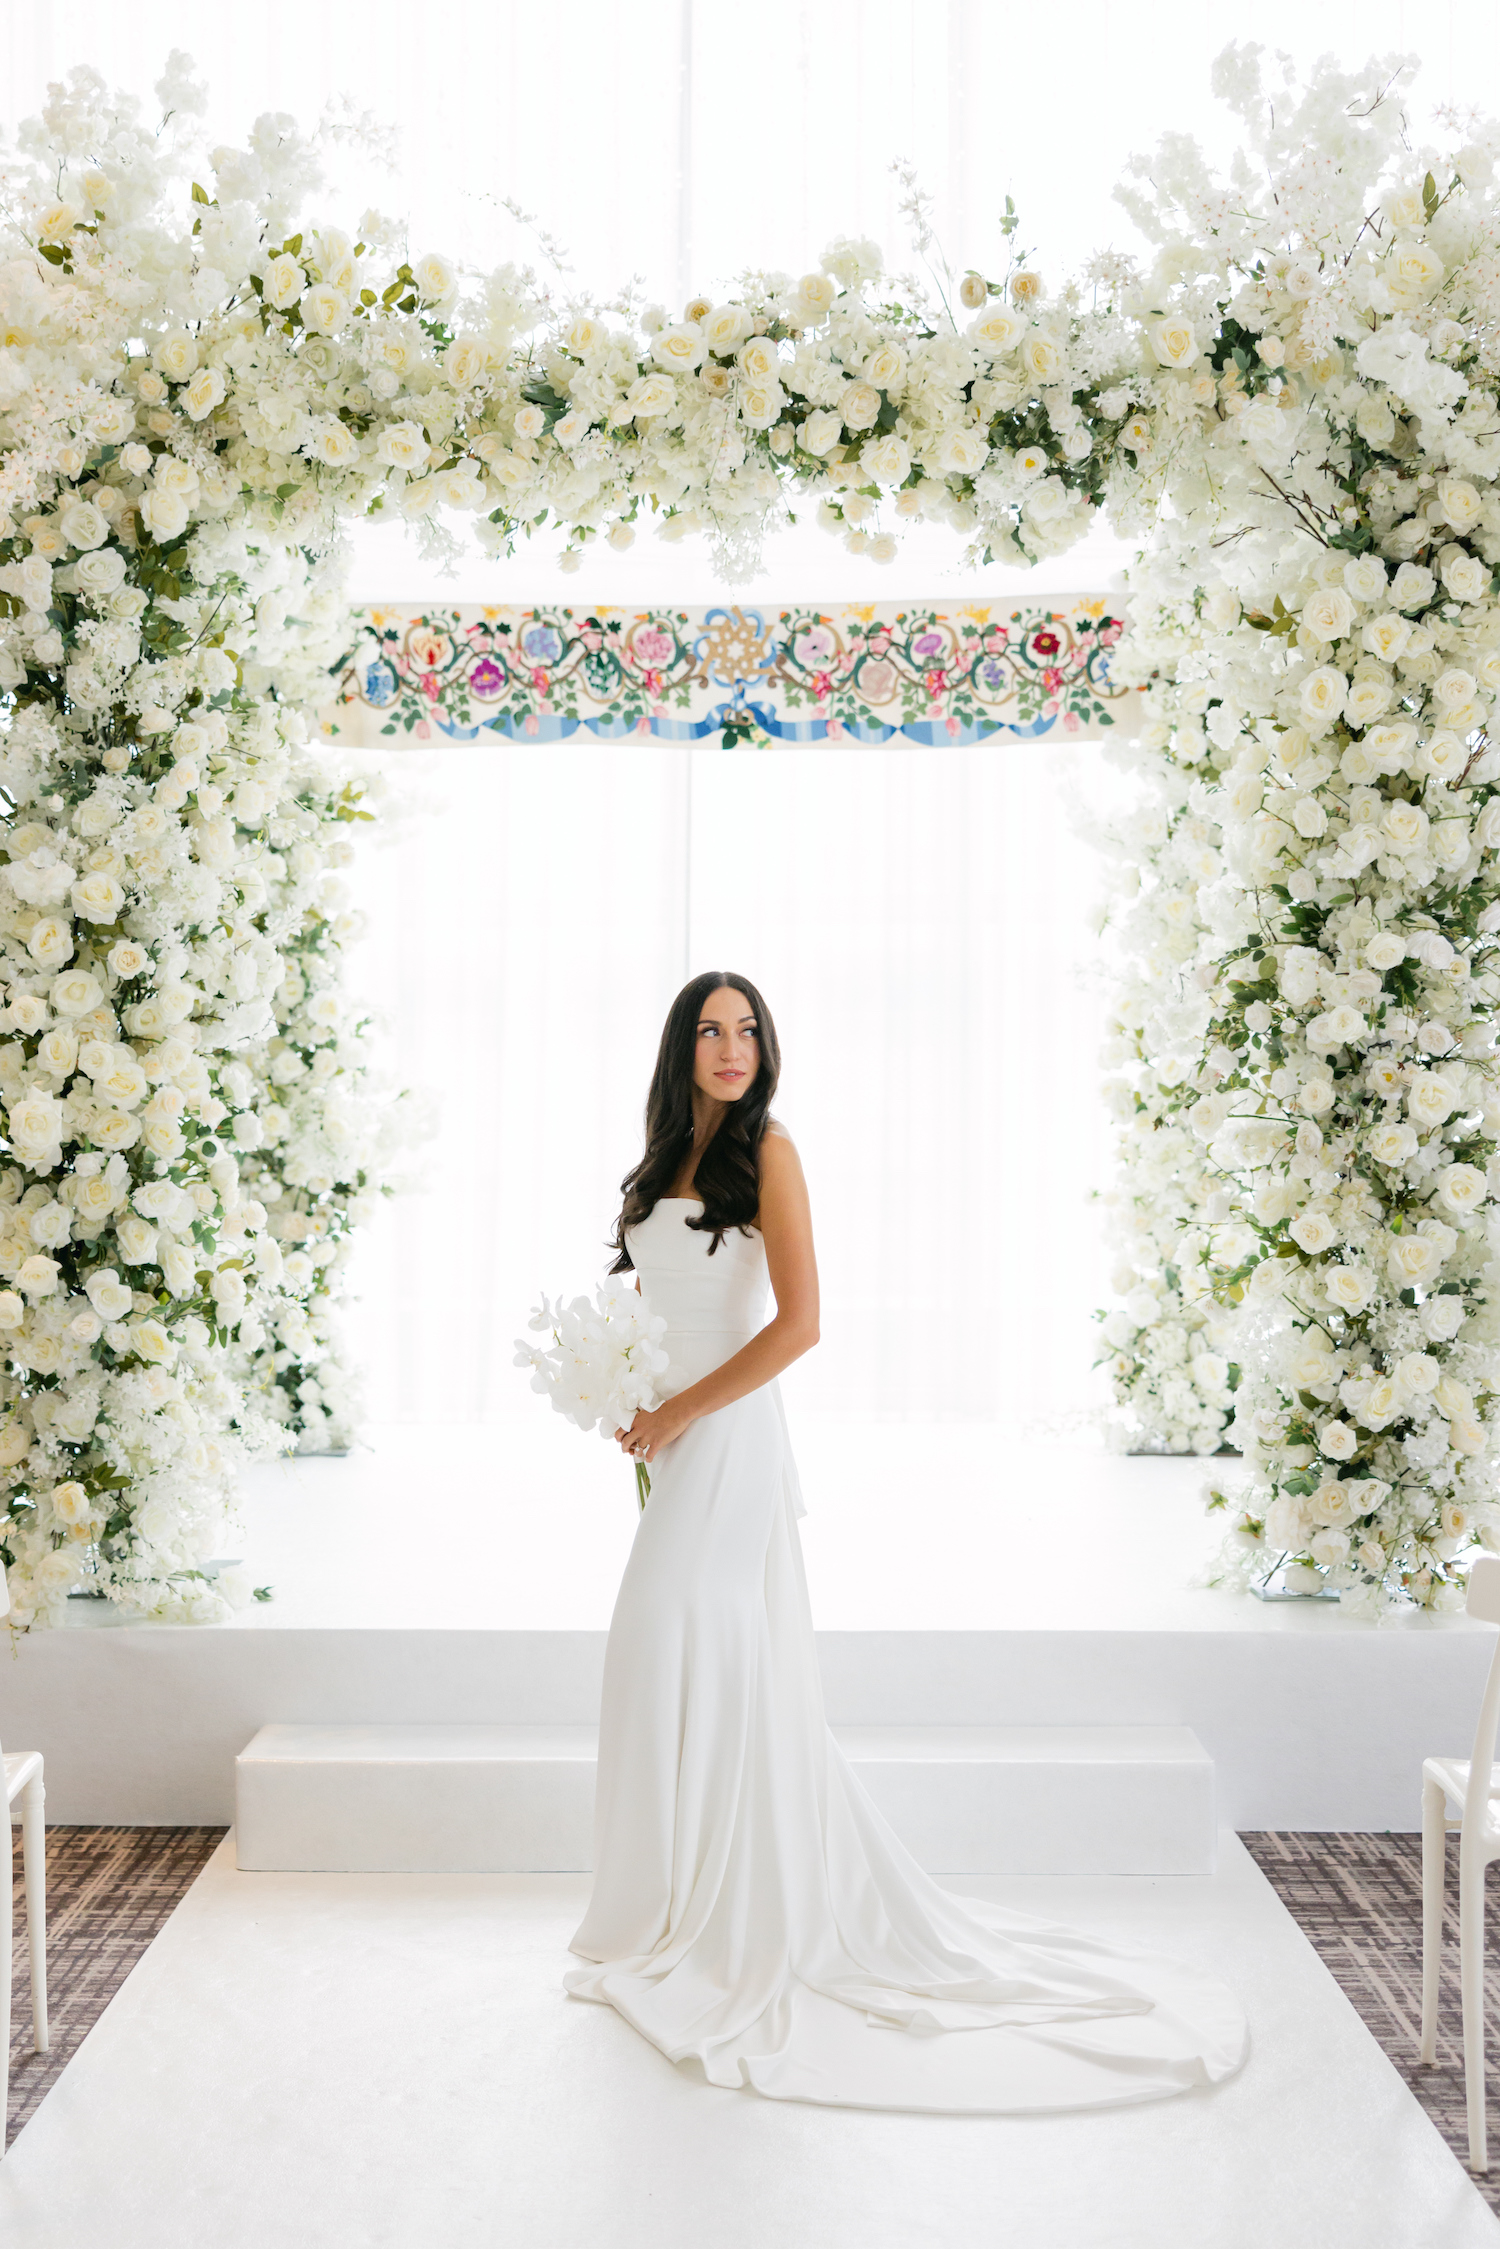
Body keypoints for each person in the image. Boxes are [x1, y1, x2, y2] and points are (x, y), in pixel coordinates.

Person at [565, 970, 1248, 2111]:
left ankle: (729, 1912)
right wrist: (629, 1394)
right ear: (679, 1048)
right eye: (709, 1030)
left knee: (676, 1641)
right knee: (673, 1656)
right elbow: (652, 1309)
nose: (731, 1047)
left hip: (730, 1441)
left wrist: (685, 1408)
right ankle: (674, 1899)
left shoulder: (769, 1154)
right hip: (673, 1439)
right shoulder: (656, 1166)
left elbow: (802, 1323)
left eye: (747, 1030)